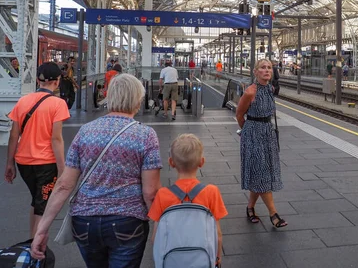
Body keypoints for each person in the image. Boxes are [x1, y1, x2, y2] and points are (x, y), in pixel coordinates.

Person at [30, 74, 162, 267]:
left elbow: (64, 185)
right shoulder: (146, 135)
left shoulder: (85, 131)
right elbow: (150, 192)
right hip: (127, 222)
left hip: (85, 223)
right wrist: (159, 224)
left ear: (110, 96)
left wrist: (41, 229)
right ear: (137, 100)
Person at [5, 62, 70, 238]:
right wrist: (63, 168)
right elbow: (56, 138)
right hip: (46, 164)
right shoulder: (58, 104)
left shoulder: (22, 101)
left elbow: (13, 136)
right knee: (44, 207)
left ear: (38, 80)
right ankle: (36, 251)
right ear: (57, 81)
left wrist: (9, 163)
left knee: (37, 202)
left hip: (23, 163)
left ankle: (32, 241)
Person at [148, 134, 227, 266]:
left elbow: (155, 237)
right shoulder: (211, 192)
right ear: (201, 162)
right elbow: (217, 234)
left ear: (171, 163)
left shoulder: (162, 194)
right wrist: (217, 258)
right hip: (202, 260)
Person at [236, 59, 287, 228]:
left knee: (260, 173)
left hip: (268, 133)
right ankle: (274, 214)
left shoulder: (271, 89)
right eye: (263, 68)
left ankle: (250, 208)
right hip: (253, 134)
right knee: (263, 173)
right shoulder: (250, 92)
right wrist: (248, 132)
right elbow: (239, 114)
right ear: (255, 72)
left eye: (269, 68)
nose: (267, 70)